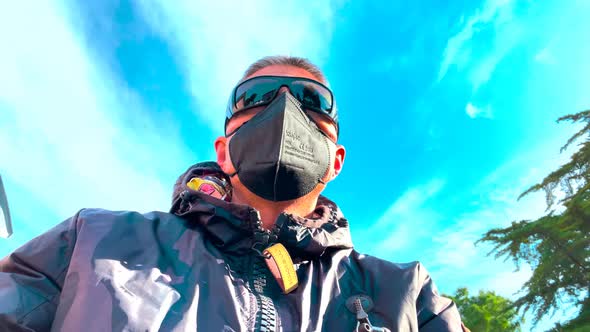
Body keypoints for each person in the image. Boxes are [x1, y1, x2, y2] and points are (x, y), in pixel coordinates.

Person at [0, 56, 466, 331]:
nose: (285, 109)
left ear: (336, 160)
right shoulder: (92, 241)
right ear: (223, 152)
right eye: (256, 98)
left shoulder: (407, 294)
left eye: (312, 102)